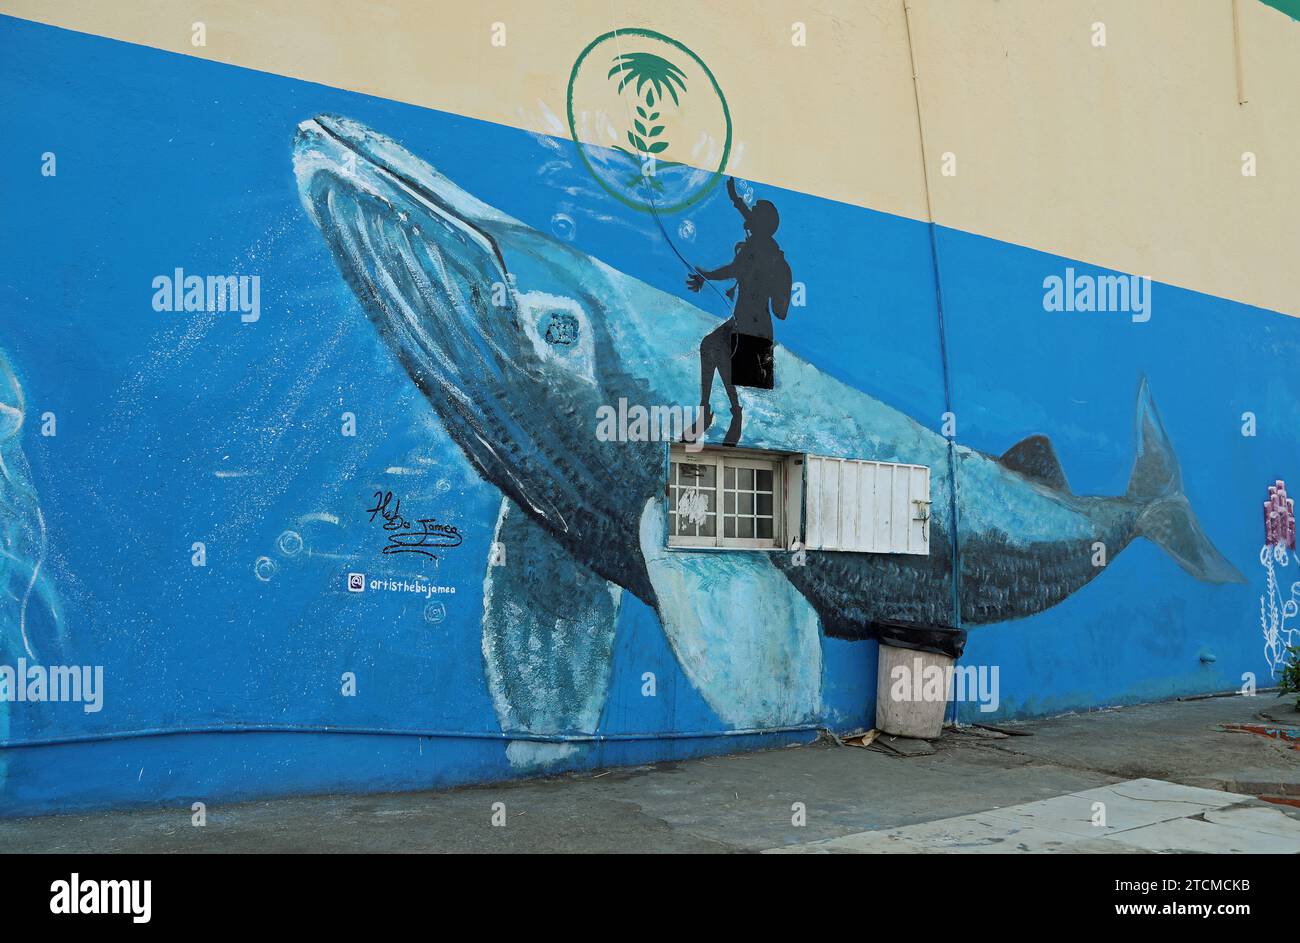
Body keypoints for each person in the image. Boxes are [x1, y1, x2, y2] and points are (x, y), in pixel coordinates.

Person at [686, 177, 792, 444]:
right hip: (749, 322)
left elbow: (734, 270)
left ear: (761, 223)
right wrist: (736, 199)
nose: (749, 216)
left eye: (754, 214)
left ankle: (728, 412)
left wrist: (705, 275)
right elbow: (781, 311)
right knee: (710, 346)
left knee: (714, 348)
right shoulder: (765, 247)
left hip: (752, 327)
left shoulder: (759, 250)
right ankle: (714, 411)